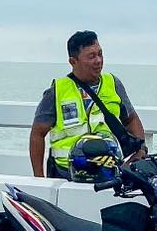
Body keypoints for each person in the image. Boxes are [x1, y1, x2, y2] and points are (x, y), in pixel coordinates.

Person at [29, 31, 145, 180]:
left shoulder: (113, 84)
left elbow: (131, 119)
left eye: (100, 54)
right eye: (91, 56)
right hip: (66, 175)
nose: (98, 61)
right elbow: (37, 134)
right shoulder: (57, 91)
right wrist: (39, 179)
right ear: (73, 61)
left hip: (109, 174)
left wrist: (141, 151)